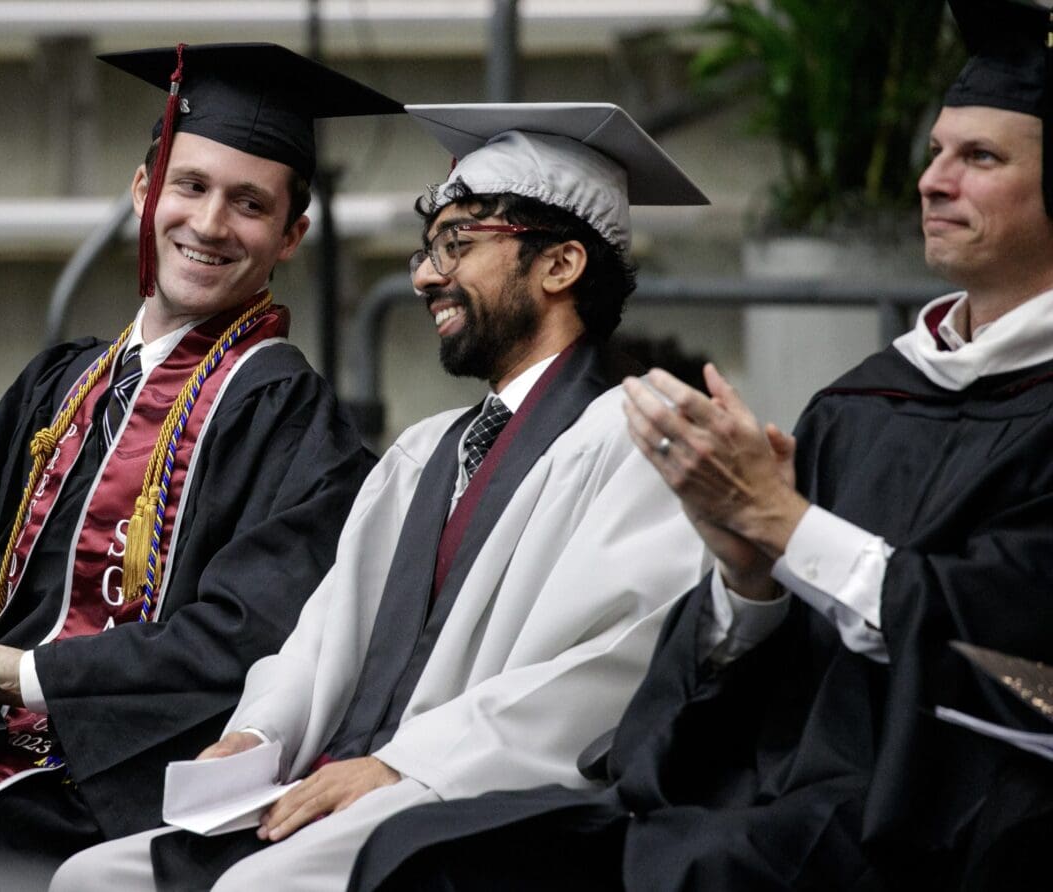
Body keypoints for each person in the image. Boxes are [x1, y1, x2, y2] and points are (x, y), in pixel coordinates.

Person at [347, 3, 1053, 889]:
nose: (932, 181)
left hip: (931, 822)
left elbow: (1007, 641)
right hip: (766, 792)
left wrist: (785, 523)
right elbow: (760, 664)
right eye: (937, 151)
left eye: (979, 159)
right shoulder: (869, 400)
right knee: (418, 855)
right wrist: (745, 573)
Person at [50, 101, 711, 891]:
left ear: (561, 266)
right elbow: (324, 635)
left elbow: (604, 669)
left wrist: (403, 765)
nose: (428, 274)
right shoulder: (423, 450)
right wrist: (258, 736)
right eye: (430, 247)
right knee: (93, 878)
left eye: (459, 244)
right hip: (355, 784)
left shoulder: (635, 440)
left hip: (483, 805)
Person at [0, 43, 395, 863]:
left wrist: (32, 675)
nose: (210, 223)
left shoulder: (297, 428)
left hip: (114, 783)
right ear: (145, 191)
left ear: (293, 235)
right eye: (191, 186)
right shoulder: (58, 385)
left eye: (250, 204)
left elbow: (246, 638)